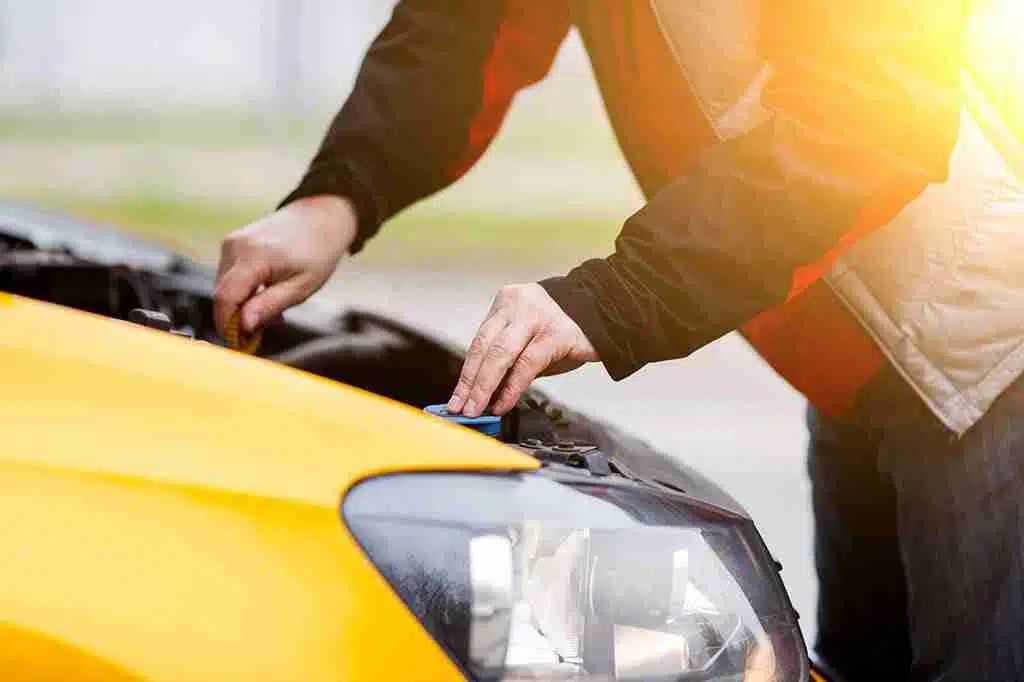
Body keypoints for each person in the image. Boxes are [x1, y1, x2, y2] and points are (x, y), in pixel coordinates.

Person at [214, 2, 1024, 680]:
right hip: (862, 362)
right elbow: (467, 30)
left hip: (984, 354)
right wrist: (335, 197)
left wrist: (621, 297)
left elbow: (874, 118)